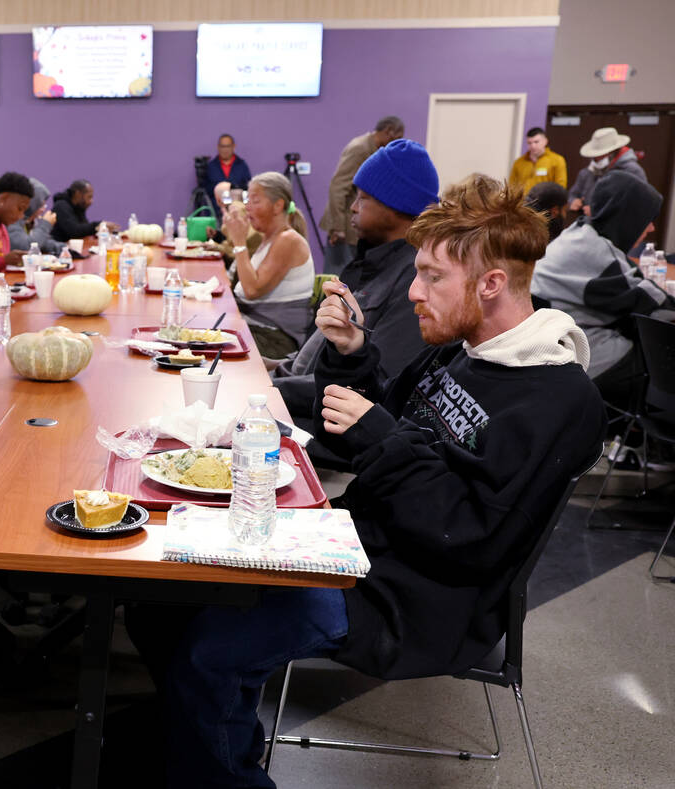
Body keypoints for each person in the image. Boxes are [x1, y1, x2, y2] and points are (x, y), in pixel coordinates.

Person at [127, 176, 606, 789]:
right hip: (360, 544)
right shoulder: (467, 349)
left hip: (420, 598)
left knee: (210, 649)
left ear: (490, 284)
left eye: (433, 276)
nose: (414, 291)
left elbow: (472, 533)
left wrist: (382, 441)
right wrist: (354, 354)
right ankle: (197, 741)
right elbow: (389, 422)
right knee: (158, 599)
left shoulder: (559, 399)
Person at [271, 139, 438, 435]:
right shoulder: (367, 262)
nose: (352, 208)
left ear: (395, 205)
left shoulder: (414, 280)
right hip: (305, 400)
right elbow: (314, 355)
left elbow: (373, 385)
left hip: (336, 428)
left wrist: (269, 389)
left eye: (363, 198)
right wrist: (268, 372)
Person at [531, 170, 672, 406]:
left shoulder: (578, 235)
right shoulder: (599, 257)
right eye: (647, 219)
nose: (651, 229)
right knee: (660, 355)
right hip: (580, 364)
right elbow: (656, 306)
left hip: (547, 356)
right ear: (628, 217)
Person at [221, 172, 315, 359]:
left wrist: (239, 241)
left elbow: (252, 290)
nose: (247, 207)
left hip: (274, 339)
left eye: (255, 201)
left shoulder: (288, 240)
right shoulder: (269, 239)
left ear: (278, 205)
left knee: (206, 353)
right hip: (255, 329)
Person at [319, 116, 405, 274]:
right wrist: (337, 227)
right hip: (344, 226)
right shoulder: (360, 148)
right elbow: (338, 187)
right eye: (397, 137)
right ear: (388, 131)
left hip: (355, 226)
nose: (396, 143)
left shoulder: (374, 149)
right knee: (338, 279)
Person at [567, 127, 647, 214]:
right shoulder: (587, 172)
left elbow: (638, 204)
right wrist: (573, 201)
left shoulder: (632, 171)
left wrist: (598, 212)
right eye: (594, 155)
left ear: (613, 152)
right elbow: (573, 194)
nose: (596, 159)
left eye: (601, 155)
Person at [49, 179, 118, 243]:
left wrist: (101, 229)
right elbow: (74, 231)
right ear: (78, 194)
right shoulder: (61, 206)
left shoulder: (78, 206)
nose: (91, 201)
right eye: (89, 197)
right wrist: (98, 225)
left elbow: (84, 228)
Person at [7, 177, 62, 255]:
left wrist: (64, 248)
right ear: (32, 204)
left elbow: (42, 242)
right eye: (41, 205)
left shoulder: (31, 221)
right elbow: (26, 247)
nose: (43, 209)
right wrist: (46, 224)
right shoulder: (12, 219)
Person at [509, 126, 567, 193]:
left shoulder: (557, 160)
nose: (533, 146)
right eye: (529, 143)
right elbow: (512, 186)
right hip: (522, 202)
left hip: (546, 202)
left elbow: (561, 187)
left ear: (545, 141)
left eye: (536, 142)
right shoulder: (519, 162)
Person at [198, 133, 252, 206]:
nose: (225, 150)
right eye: (223, 146)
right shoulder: (211, 166)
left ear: (234, 146)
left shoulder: (242, 165)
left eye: (228, 146)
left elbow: (248, 187)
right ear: (218, 147)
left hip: (237, 209)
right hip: (215, 210)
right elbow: (206, 189)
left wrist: (232, 187)